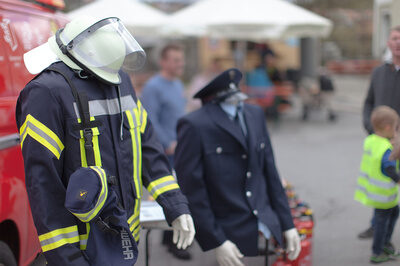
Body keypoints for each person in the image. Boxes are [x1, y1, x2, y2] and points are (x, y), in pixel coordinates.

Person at [16, 16, 194, 266]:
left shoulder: (119, 81)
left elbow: (149, 149)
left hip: (126, 238)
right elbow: (44, 186)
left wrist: (175, 205)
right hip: (84, 247)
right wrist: (69, 259)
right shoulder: (46, 93)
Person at [174, 68, 301, 266]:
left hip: (266, 227)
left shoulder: (255, 114)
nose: (238, 103)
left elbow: (270, 173)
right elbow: (192, 191)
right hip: (225, 235)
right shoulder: (194, 125)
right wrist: (217, 240)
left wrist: (287, 223)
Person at [140, 43, 191, 260]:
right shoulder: (153, 87)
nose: (181, 64)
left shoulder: (177, 84)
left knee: (180, 191)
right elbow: (149, 119)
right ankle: (173, 242)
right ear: (164, 62)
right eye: (176, 60)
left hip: (179, 149)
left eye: (181, 59)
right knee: (168, 193)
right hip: (165, 151)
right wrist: (168, 142)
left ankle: (172, 237)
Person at [360, 25, 400, 239]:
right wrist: (370, 126)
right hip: (381, 141)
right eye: (395, 38)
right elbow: (368, 103)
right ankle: (378, 228)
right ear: (388, 43)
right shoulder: (378, 72)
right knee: (382, 186)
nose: (398, 43)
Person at [354, 106, 400, 263]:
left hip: (374, 193)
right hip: (383, 197)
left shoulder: (371, 140)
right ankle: (378, 252)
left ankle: (384, 244)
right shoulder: (386, 149)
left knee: (394, 213)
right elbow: (389, 168)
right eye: (395, 128)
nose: (396, 131)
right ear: (388, 127)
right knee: (381, 223)